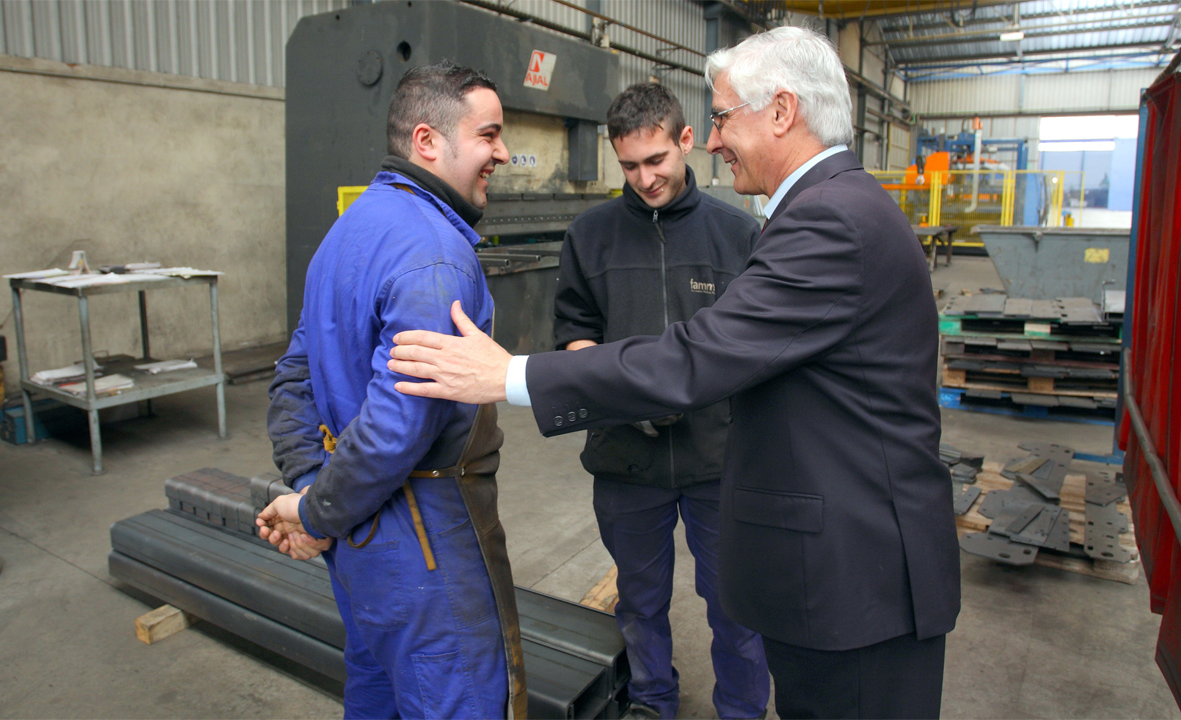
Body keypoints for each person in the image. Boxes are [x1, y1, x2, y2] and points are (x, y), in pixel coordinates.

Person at [387, 28, 961, 720]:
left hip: (857, 585)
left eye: (721, 118)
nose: (713, 141)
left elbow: (698, 355)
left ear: (781, 111)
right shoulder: (833, 208)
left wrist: (512, 375)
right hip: (837, 567)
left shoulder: (827, 222)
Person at [256, 60, 527, 719]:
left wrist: (316, 496)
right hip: (426, 547)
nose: (503, 153)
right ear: (428, 141)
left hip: (360, 544)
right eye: (489, 135)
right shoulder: (434, 254)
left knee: (376, 692)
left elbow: (293, 379)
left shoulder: (348, 230)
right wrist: (316, 512)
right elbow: (395, 428)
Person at [553, 82, 767, 720]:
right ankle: (652, 702)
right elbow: (574, 336)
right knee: (640, 602)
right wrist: (624, 394)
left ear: (686, 140)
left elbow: (758, 347)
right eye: (629, 166)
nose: (645, 179)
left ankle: (743, 710)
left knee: (736, 604)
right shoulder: (590, 236)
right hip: (626, 459)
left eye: (656, 160)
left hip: (719, 459)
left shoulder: (738, 234)